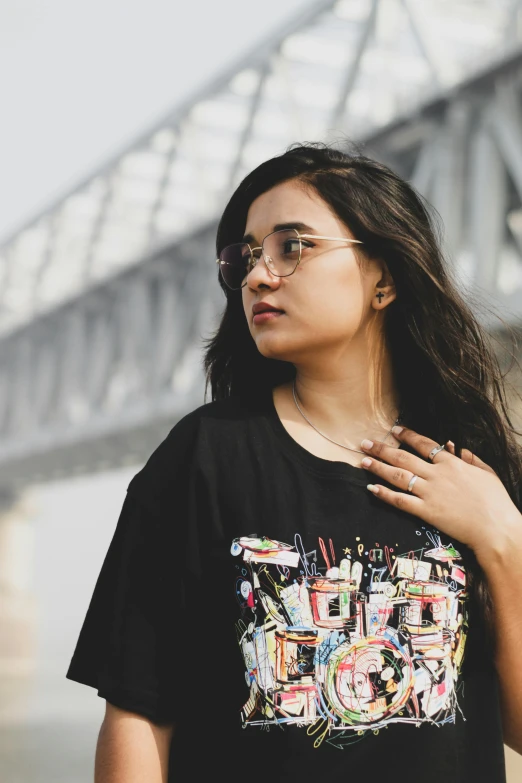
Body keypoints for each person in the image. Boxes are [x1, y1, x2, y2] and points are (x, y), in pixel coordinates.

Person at [66, 141, 522, 782]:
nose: (257, 275)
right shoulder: (203, 460)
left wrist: (505, 539)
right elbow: (137, 718)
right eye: (246, 257)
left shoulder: (476, 469)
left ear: (384, 277)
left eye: (293, 246)